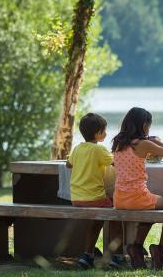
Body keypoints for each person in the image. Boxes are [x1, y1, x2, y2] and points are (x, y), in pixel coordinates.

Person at [112, 107, 163, 270]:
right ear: (143, 126)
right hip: (137, 198)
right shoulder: (144, 144)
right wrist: (155, 141)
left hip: (120, 198)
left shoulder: (118, 143)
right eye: (148, 125)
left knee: (152, 207)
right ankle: (160, 249)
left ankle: (136, 246)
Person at [66, 113, 123, 269]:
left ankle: (87, 254)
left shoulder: (77, 149)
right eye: (104, 131)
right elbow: (116, 162)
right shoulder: (99, 150)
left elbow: (68, 165)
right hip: (94, 197)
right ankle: (117, 255)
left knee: (97, 220)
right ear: (98, 133)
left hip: (77, 199)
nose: (106, 134)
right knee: (116, 215)